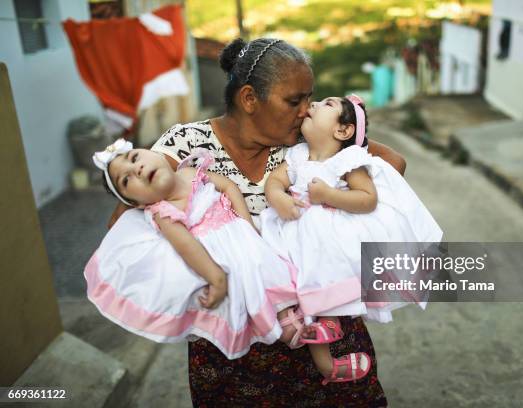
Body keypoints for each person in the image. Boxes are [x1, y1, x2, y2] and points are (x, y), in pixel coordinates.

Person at [108, 37, 406, 406]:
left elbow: (393, 163)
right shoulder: (186, 144)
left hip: (325, 329)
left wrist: (331, 208)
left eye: (309, 99)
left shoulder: (305, 141)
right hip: (232, 349)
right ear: (249, 99)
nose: (306, 110)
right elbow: (126, 223)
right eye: (294, 101)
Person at [87, 138, 372, 383]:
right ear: (136, 204)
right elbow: (188, 248)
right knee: (258, 288)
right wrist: (216, 278)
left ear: (156, 154)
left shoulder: (192, 172)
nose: (135, 169)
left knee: (289, 274)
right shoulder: (162, 212)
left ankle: (321, 335)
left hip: (246, 236)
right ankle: (307, 345)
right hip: (227, 256)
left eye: (135, 157)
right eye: (127, 180)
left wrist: (247, 226)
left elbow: (230, 189)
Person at [260, 94, 442, 384]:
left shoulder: (348, 160)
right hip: (294, 230)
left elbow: (367, 199)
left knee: (324, 282)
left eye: (326, 105)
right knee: (280, 271)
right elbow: (276, 180)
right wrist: (278, 197)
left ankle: (326, 341)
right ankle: (322, 359)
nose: (314, 105)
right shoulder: (296, 154)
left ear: (342, 131)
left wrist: (330, 196)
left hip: (325, 237)